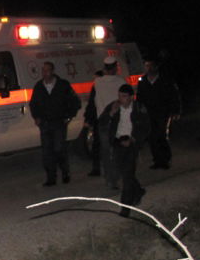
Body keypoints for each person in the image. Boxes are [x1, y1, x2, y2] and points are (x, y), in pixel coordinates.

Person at [99, 83, 150, 217]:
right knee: (123, 172)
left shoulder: (139, 108)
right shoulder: (114, 106)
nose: (121, 99)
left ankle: (125, 207)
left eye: (124, 96)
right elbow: (101, 122)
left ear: (131, 97)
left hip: (131, 143)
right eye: (119, 96)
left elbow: (145, 127)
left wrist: (133, 139)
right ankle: (138, 190)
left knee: (127, 177)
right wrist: (111, 114)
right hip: (117, 143)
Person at [29, 61, 81, 186]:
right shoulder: (39, 87)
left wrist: (69, 116)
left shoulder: (62, 85)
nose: (45, 73)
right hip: (45, 124)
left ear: (52, 71)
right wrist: (36, 117)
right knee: (47, 151)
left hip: (59, 123)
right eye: (43, 71)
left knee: (59, 149)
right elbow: (33, 104)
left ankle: (65, 172)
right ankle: (51, 177)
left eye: (47, 70)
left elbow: (75, 102)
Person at [83, 55, 127, 185]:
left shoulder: (97, 83)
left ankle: (110, 178)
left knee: (106, 150)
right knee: (118, 149)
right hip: (118, 121)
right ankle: (118, 174)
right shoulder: (121, 82)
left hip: (103, 122)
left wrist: (88, 119)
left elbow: (92, 102)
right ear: (115, 68)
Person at [136, 56, 181, 169]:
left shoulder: (165, 80)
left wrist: (175, 110)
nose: (148, 68)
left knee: (161, 135)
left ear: (156, 67)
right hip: (149, 113)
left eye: (151, 65)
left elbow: (174, 96)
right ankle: (157, 160)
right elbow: (140, 97)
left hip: (163, 112)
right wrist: (139, 109)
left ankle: (165, 159)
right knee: (151, 137)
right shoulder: (143, 81)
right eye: (146, 66)